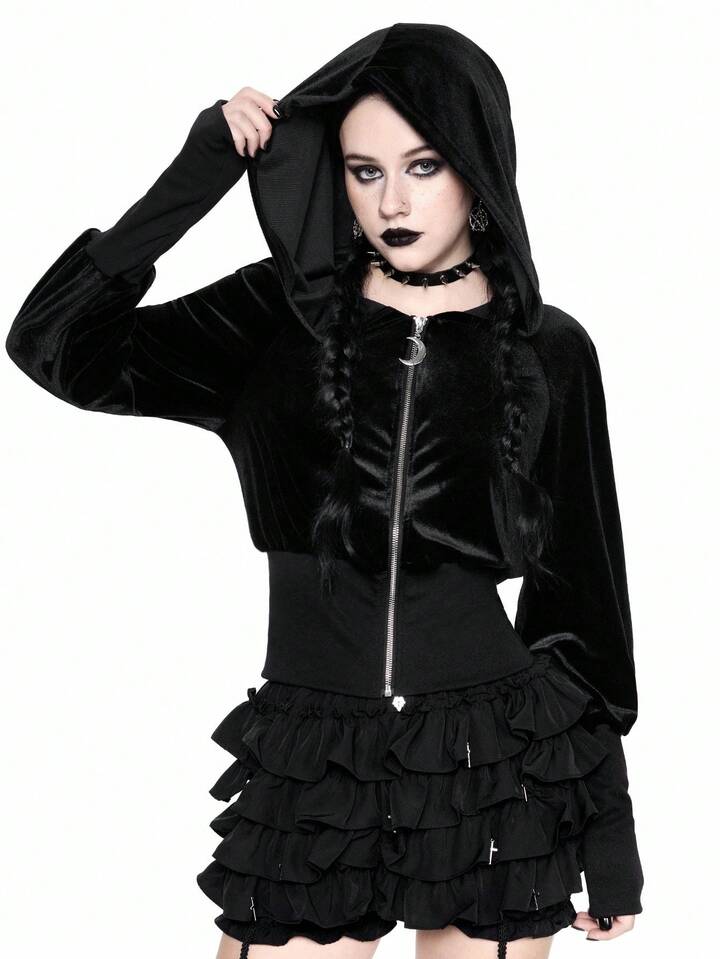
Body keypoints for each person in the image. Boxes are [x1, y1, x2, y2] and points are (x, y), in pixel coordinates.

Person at [5, 22, 644, 959]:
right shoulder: (277, 317)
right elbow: (55, 347)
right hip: (315, 761)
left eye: (423, 166)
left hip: (495, 764)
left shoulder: (549, 350)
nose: (393, 201)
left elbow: (581, 605)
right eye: (363, 170)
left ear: (478, 167)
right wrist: (194, 179)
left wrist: (609, 834)